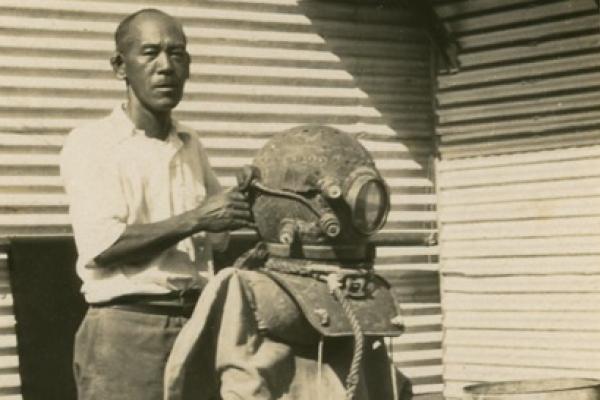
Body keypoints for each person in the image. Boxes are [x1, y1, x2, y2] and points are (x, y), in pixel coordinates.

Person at [59, 8, 253, 400]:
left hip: (197, 325)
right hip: (128, 330)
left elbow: (216, 236)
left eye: (177, 54)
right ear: (120, 66)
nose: (166, 66)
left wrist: (247, 202)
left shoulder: (190, 143)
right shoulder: (91, 143)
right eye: (150, 53)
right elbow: (104, 246)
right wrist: (197, 218)